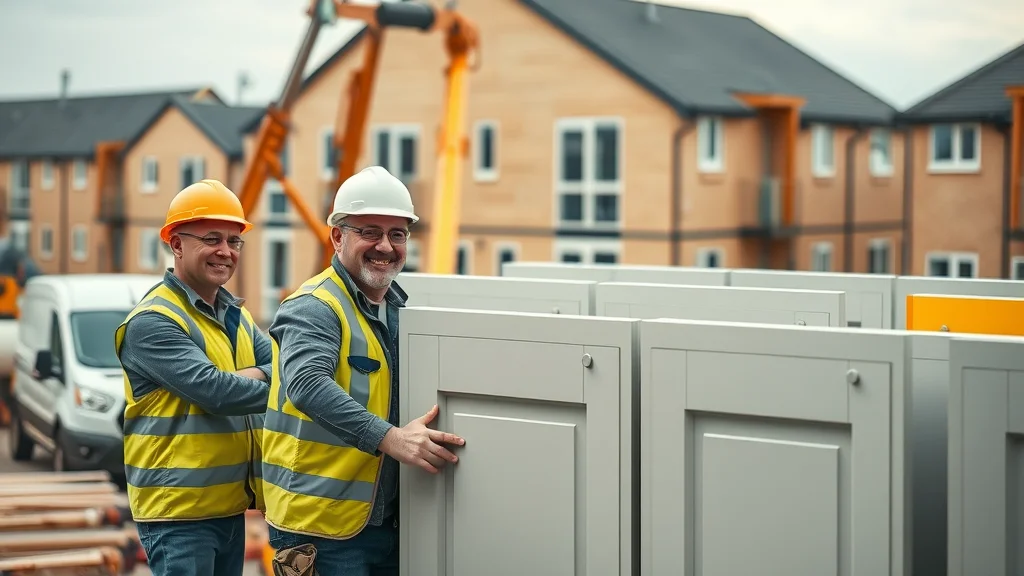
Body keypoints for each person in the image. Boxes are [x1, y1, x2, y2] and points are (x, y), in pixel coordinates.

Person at [261, 166, 465, 574]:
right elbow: (306, 384)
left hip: (388, 521)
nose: (385, 246)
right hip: (319, 527)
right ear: (338, 237)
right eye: (370, 231)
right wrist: (389, 438)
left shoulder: (401, 310)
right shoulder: (314, 306)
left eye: (398, 234)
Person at [113, 179, 272, 576]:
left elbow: (285, 370)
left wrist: (249, 376)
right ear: (176, 243)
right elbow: (216, 392)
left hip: (230, 507)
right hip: (179, 515)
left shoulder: (237, 317)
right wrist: (242, 381)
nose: (225, 251)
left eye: (234, 241)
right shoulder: (153, 321)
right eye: (212, 238)